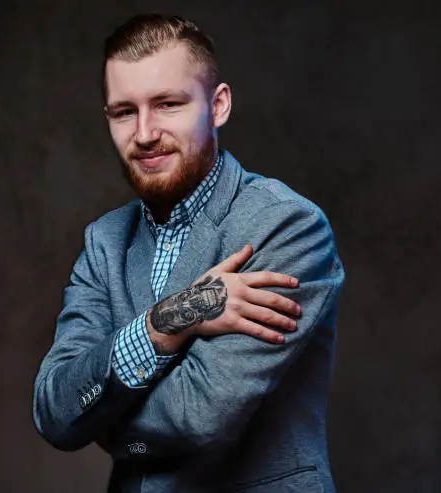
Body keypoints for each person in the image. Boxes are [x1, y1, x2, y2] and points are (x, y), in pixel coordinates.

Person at [33, 13, 344, 493]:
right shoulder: (104, 241)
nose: (144, 133)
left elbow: (199, 417)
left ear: (217, 106)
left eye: (167, 104)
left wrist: (100, 423)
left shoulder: (286, 225)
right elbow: (54, 408)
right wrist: (170, 319)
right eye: (123, 112)